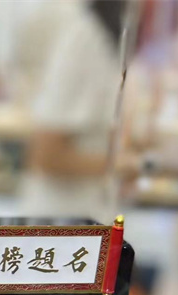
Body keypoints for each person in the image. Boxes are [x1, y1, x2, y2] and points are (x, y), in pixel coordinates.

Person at [20, 0, 137, 223]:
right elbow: (45, 154)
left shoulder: (111, 37)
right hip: (62, 222)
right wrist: (122, 165)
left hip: (91, 217)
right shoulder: (85, 38)